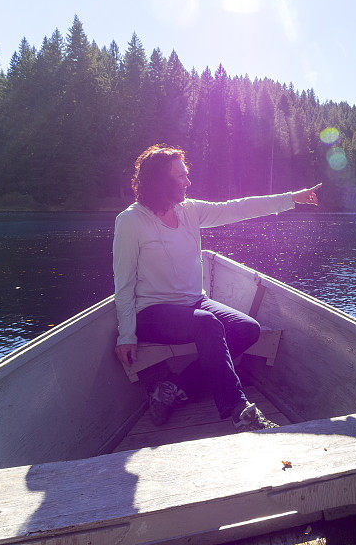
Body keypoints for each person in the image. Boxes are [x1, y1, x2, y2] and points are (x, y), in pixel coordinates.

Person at [113, 144, 321, 431]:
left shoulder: (189, 211)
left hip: (194, 304)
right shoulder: (131, 221)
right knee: (208, 325)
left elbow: (238, 208)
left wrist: (291, 199)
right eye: (181, 177)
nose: (188, 182)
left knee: (248, 329)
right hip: (152, 312)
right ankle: (240, 412)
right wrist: (126, 334)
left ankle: (171, 389)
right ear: (160, 180)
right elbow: (122, 283)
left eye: (187, 175)